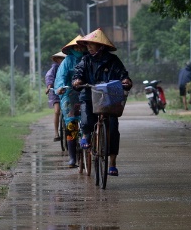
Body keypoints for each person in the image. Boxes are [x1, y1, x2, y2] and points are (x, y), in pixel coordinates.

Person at [71, 28, 132, 176]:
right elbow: (78, 73)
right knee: (86, 120)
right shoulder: (85, 60)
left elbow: (123, 74)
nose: (89, 47)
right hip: (89, 94)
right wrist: (77, 81)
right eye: (88, 44)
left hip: (109, 96)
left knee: (112, 128)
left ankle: (112, 162)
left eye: (92, 44)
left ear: (101, 46)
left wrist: (125, 80)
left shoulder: (113, 60)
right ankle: (86, 136)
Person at [52, 34, 88, 168]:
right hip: (69, 93)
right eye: (76, 47)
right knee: (71, 124)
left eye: (81, 46)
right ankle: (72, 157)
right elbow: (61, 76)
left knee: (90, 118)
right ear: (72, 48)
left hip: (86, 91)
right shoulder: (67, 61)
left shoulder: (88, 58)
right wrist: (60, 87)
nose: (78, 49)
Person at [45, 51, 66, 141]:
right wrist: (49, 87)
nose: (62, 60)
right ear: (57, 59)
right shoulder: (54, 69)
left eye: (63, 59)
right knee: (57, 111)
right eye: (60, 59)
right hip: (56, 93)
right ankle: (56, 133)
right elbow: (49, 78)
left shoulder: (68, 67)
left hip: (66, 91)